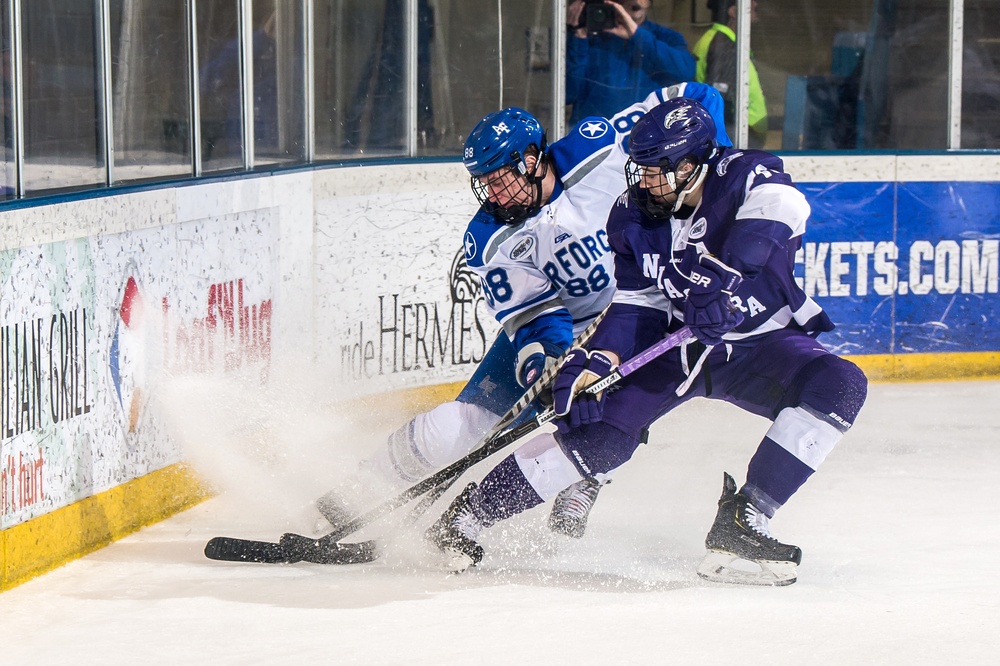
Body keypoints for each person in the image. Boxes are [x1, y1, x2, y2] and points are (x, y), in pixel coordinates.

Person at [426, 97, 868, 586]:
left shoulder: (746, 175)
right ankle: (467, 516)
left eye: (657, 171)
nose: (644, 182)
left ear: (691, 164)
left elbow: (785, 209)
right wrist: (596, 358)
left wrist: (723, 278)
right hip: (674, 348)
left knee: (838, 384)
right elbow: (638, 304)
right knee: (601, 439)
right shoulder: (634, 216)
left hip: (757, 344)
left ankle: (745, 519)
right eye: (640, 169)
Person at [317, 83, 731, 541]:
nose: (493, 194)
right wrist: (546, 363)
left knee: (616, 417)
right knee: (463, 423)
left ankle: (585, 481)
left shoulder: (598, 147)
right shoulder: (490, 237)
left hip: (638, 315)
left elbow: (699, 95)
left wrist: (712, 180)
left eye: (500, 178)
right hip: (563, 328)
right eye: (485, 183)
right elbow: (534, 315)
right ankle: (357, 488)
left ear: (532, 159)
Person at [566, 0, 696, 125]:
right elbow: (567, 94)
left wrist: (637, 34)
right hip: (596, 134)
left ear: (649, 2)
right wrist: (579, 38)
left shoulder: (666, 37)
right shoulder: (589, 37)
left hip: (649, 133)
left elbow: (686, 71)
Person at [692, 0, 768, 148]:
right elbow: (721, 99)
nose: (755, 7)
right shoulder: (723, 45)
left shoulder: (722, 39)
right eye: (751, 6)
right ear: (733, 12)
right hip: (740, 137)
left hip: (744, 134)